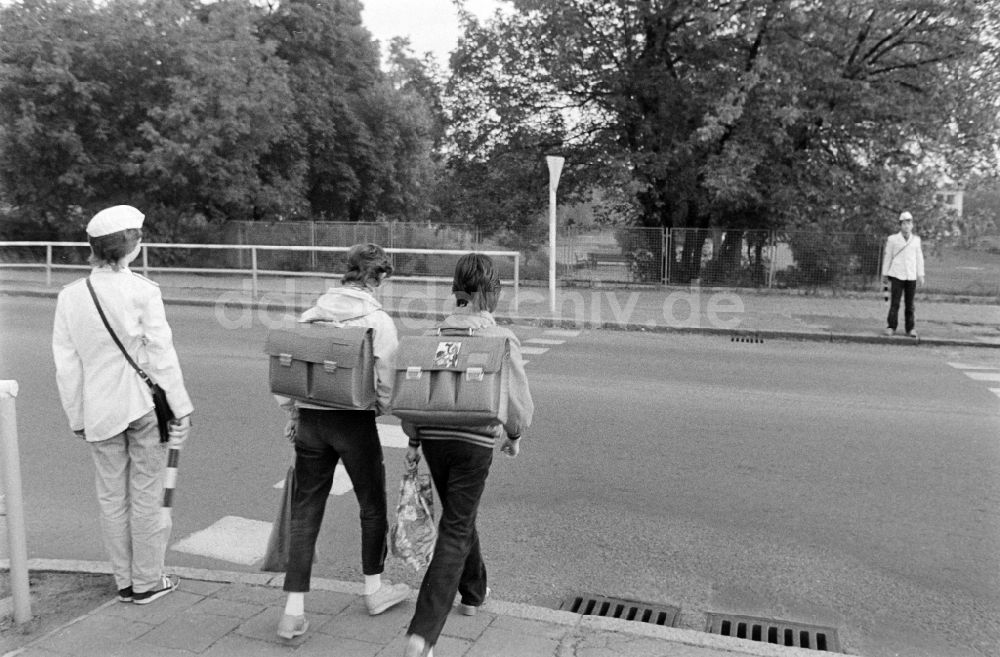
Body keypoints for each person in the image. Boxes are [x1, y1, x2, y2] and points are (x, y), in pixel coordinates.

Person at [52, 205, 193, 605]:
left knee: (111, 498)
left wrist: (75, 415)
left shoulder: (70, 297)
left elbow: (67, 364)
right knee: (147, 495)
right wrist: (180, 406)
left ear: (95, 249)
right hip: (142, 406)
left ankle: (125, 583)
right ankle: (149, 581)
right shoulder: (143, 292)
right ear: (131, 247)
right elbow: (161, 355)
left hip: (98, 411)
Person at [402, 253, 534, 657]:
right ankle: (421, 635)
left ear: (455, 291)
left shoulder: (430, 336)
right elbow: (517, 405)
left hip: (435, 441)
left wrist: (414, 439)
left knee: (460, 515)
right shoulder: (500, 339)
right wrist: (514, 434)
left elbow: (411, 397)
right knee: (456, 528)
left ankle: (473, 593)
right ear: (491, 293)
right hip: (474, 442)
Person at [275, 243, 409, 640]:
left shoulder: (312, 311)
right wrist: (380, 406)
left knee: (306, 510)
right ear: (376, 277)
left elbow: (294, 366)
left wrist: (294, 413)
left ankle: (293, 611)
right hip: (354, 422)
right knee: (371, 504)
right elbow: (386, 379)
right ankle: (373, 589)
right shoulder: (379, 321)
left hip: (312, 420)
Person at [882, 211, 925, 337]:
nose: (906, 226)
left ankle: (910, 328)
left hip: (911, 276)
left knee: (910, 304)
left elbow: (919, 258)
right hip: (897, 274)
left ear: (912, 225)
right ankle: (891, 326)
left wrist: (920, 274)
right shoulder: (893, 239)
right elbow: (888, 256)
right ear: (900, 225)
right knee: (895, 303)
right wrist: (885, 274)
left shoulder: (916, 240)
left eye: (909, 223)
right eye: (904, 224)